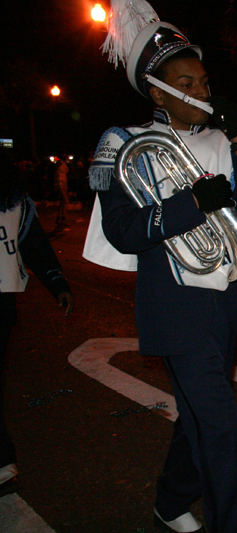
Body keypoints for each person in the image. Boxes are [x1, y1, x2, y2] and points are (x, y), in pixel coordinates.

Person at [83, 4, 237, 532]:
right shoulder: (123, 143)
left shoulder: (220, 140)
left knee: (196, 417)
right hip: (175, 307)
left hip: (229, 302)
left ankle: (170, 500)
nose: (203, 90)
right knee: (220, 426)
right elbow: (122, 230)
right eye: (187, 81)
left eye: (205, 80)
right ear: (159, 92)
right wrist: (193, 203)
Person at [1, 148, 73, 496]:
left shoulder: (18, 204)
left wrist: (57, 282)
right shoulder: (18, 203)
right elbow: (36, 247)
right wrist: (56, 282)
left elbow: (35, 247)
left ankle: (3, 461)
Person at [54, 152, 70, 226]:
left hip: (63, 182)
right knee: (65, 200)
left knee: (63, 201)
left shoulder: (63, 163)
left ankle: (59, 217)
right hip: (61, 183)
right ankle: (63, 218)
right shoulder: (59, 163)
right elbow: (56, 173)